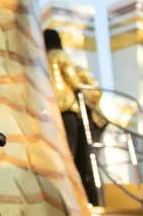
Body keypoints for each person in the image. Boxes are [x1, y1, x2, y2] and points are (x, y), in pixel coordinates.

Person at [44, 28, 104, 206]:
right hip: (67, 108)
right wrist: (80, 90)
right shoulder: (58, 54)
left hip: (52, 108)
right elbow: (70, 75)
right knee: (76, 152)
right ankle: (83, 195)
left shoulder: (42, 61)